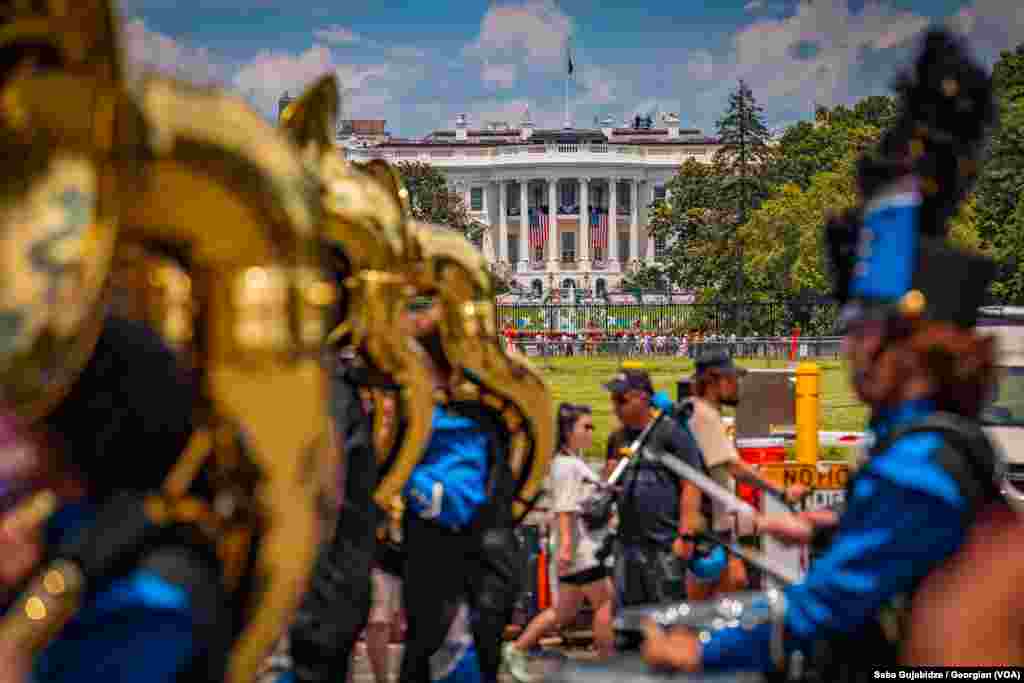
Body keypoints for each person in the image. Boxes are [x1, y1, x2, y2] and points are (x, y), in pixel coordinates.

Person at [641, 28, 1013, 676]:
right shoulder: (931, 442)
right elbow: (907, 545)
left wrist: (699, 649)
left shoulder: (918, 463)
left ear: (912, 344)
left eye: (863, 327)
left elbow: (819, 611)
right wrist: (822, 528)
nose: (848, 344)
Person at [681, 350, 808, 598]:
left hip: (716, 522)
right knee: (704, 600)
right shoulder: (703, 415)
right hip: (706, 523)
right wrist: (781, 491)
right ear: (713, 380)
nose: (737, 384)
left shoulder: (699, 412)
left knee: (733, 583)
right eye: (732, 378)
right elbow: (735, 467)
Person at [503, 404, 614, 681]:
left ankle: (516, 649)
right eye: (585, 427)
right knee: (605, 604)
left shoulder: (571, 463)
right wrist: (566, 548)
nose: (591, 432)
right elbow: (565, 509)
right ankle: (608, 667)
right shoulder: (567, 466)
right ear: (567, 432)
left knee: (563, 611)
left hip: (574, 547)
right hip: (579, 549)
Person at [602, 364, 706, 651]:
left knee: (668, 620)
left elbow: (691, 484)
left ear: (643, 398)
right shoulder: (618, 439)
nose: (615, 407)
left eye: (622, 400)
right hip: (627, 545)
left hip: (663, 544)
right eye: (614, 400)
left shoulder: (671, 434)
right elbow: (613, 487)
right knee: (628, 625)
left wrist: (685, 535)